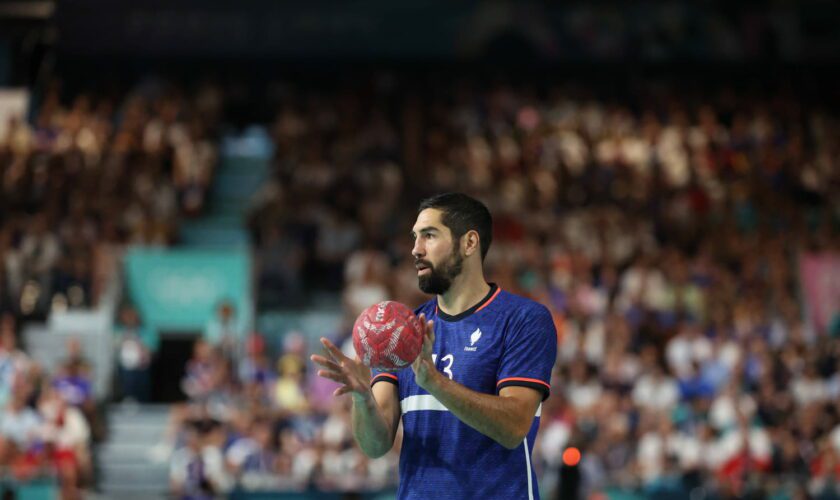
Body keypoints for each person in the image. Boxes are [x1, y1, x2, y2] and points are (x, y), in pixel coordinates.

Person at [311, 193, 557, 499]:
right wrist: (363, 399)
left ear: (469, 243)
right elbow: (375, 446)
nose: (415, 249)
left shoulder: (523, 319)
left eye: (429, 236)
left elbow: (514, 426)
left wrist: (434, 382)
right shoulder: (401, 333)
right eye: (415, 237)